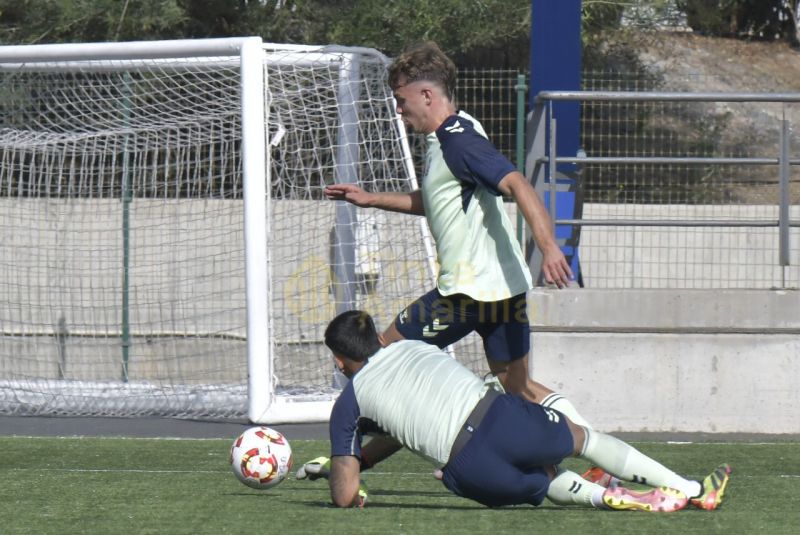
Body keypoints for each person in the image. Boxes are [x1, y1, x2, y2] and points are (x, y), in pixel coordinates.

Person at [323, 41, 588, 426]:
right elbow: (436, 201)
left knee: (380, 359)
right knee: (518, 388)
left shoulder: (458, 141)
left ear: (426, 94)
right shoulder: (461, 130)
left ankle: (347, 456)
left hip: (466, 292)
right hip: (504, 287)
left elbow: (517, 184)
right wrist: (370, 199)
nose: (399, 110)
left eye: (401, 99)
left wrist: (549, 248)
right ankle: (590, 444)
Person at [297, 310, 731, 511]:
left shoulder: (348, 405)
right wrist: (357, 463)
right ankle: (691, 489)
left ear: (339, 360)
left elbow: (345, 495)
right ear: (375, 337)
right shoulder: (413, 344)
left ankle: (607, 498)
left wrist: (349, 470)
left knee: (547, 481)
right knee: (584, 439)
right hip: (498, 418)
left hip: (468, 470)